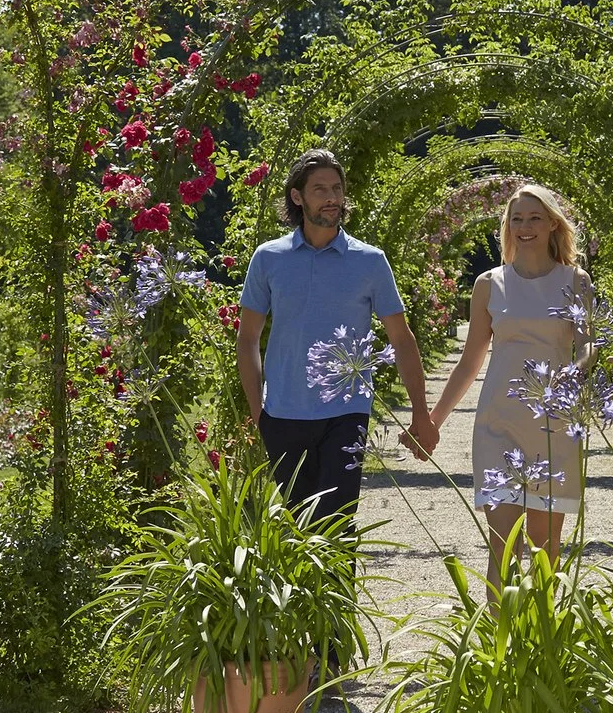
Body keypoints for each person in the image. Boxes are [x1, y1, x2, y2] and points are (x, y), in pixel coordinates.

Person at [236, 148, 435, 526]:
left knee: (337, 521)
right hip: (281, 412)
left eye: (337, 189)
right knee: (300, 526)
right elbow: (248, 338)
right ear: (297, 197)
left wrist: (421, 413)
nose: (332, 198)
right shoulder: (268, 258)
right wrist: (257, 410)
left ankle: (338, 587)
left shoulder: (370, 261)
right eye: (320, 190)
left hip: (347, 409)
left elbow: (402, 339)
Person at [425, 184, 592, 580]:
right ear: (507, 226)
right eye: (517, 218)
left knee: (545, 549)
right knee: (502, 546)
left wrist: (574, 373)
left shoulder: (576, 280)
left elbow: (588, 346)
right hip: (497, 422)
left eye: (534, 217)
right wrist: (433, 421)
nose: (525, 226)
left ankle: (541, 638)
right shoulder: (488, 284)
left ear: (553, 223)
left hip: (553, 423)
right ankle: (498, 639)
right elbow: (469, 362)